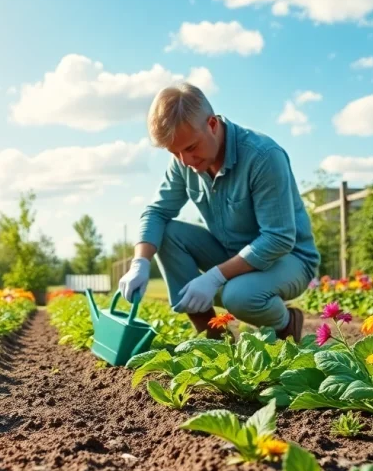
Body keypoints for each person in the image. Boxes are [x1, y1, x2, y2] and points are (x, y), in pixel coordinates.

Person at [118, 83, 319, 342]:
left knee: (238, 296)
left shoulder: (263, 156)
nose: (186, 161)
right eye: (175, 152)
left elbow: (278, 238)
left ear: (212, 124)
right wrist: (140, 262)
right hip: (229, 252)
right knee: (165, 233)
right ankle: (215, 338)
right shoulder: (183, 161)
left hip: (288, 259)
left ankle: (286, 324)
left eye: (190, 148)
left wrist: (213, 277)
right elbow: (157, 212)